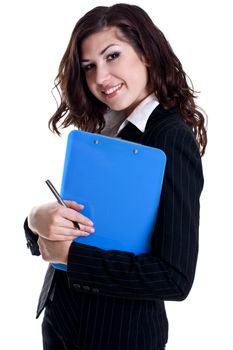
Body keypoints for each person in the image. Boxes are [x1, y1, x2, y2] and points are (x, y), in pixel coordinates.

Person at [24, 3, 207, 350]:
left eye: (112, 56)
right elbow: (85, 225)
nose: (99, 78)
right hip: (63, 320)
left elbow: (174, 276)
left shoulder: (169, 138)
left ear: (147, 53)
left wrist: (70, 258)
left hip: (117, 335)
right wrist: (36, 222)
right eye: (89, 66)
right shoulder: (105, 128)